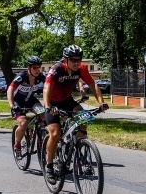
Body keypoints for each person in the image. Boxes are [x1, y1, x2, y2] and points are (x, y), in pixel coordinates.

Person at [42, 45, 108, 182]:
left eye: (79, 59)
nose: (76, 63)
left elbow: (93, 85)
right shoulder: (57, 69)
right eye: (73, 60)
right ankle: (49, 167)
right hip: (52, 103)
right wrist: (48, 106)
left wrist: (101, 103)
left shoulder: (82, 69)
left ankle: (75, 148)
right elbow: (46, 88)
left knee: (83, 121)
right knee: (55, 133)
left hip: (67, 101)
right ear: (66, 59)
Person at [8, 56, 46, 157]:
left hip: (30, 99)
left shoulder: (41, 77)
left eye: (39, 67)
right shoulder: (21, 77)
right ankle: (17, 145)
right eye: (34, 68)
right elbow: (10, 90)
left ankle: (41, 138)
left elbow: (50, 87)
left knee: (43, 115)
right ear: (28, 68)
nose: (37, 70)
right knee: (23, 123)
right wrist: (12, 105)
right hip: (17, 101)